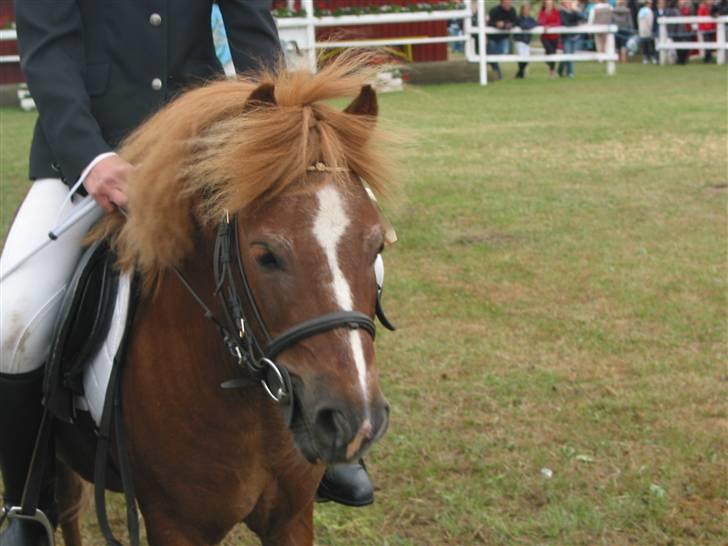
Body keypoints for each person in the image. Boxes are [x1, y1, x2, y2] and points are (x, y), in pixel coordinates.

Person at [0, 3, 369, 545]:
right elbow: (49, 52)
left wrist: (266, 137)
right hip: (86, 155)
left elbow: (251, 33)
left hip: (207, 142)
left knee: (313, 255)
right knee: (14, 321)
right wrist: (91, 158)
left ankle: (329, 437)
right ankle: (27, 503)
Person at [488, 0, 519, 80]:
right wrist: (496, 24)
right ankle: (498, 75)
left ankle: (494, 68)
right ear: (501, 3)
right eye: (506, 3)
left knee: (502, 52)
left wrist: (510, 25)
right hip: (492, 37)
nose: (508, 5)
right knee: (493, 55)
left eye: (509, 3)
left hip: (504, 37)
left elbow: (516, 21)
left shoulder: (512, 10)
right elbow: (490, 23)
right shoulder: (494, 10)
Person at [559, 0, 586, 77]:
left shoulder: (574, 12)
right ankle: (570, 73)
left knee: (570, 55)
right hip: (566, 37)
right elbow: (565, 23)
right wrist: (576, 24)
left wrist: (576, 10)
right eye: (567, 2)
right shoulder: (562, 12)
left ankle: (561, 70)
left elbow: (583, 18)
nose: (569, 4)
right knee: (568, 54)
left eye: (570, 2)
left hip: (575, 36)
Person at [514, 3, 539, 77]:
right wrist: (528, 26)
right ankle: (521, 73)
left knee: (527, 58)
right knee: (521, 57)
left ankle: (520, 73)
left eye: (528, 9)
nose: (526, 11)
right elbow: (521, 25)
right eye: (525, 9)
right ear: (522, 10)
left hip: (527, 40)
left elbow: (535, 24)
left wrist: (528, 26)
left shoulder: (531, 19)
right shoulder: (518, 18)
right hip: (519, 40)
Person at [539, 0, 562, 77]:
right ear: (545, 5)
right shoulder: (542, 13)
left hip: (554, 37)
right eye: (547, 4)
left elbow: (558, 23)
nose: (549, 5)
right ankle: (548, 62)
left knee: (553, 53)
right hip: (545, 37)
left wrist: (549, 26)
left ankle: (552, 71)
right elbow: (541, 22)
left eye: (550, 4)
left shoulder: (556, 12)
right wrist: (546, 14)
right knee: (550, 51)